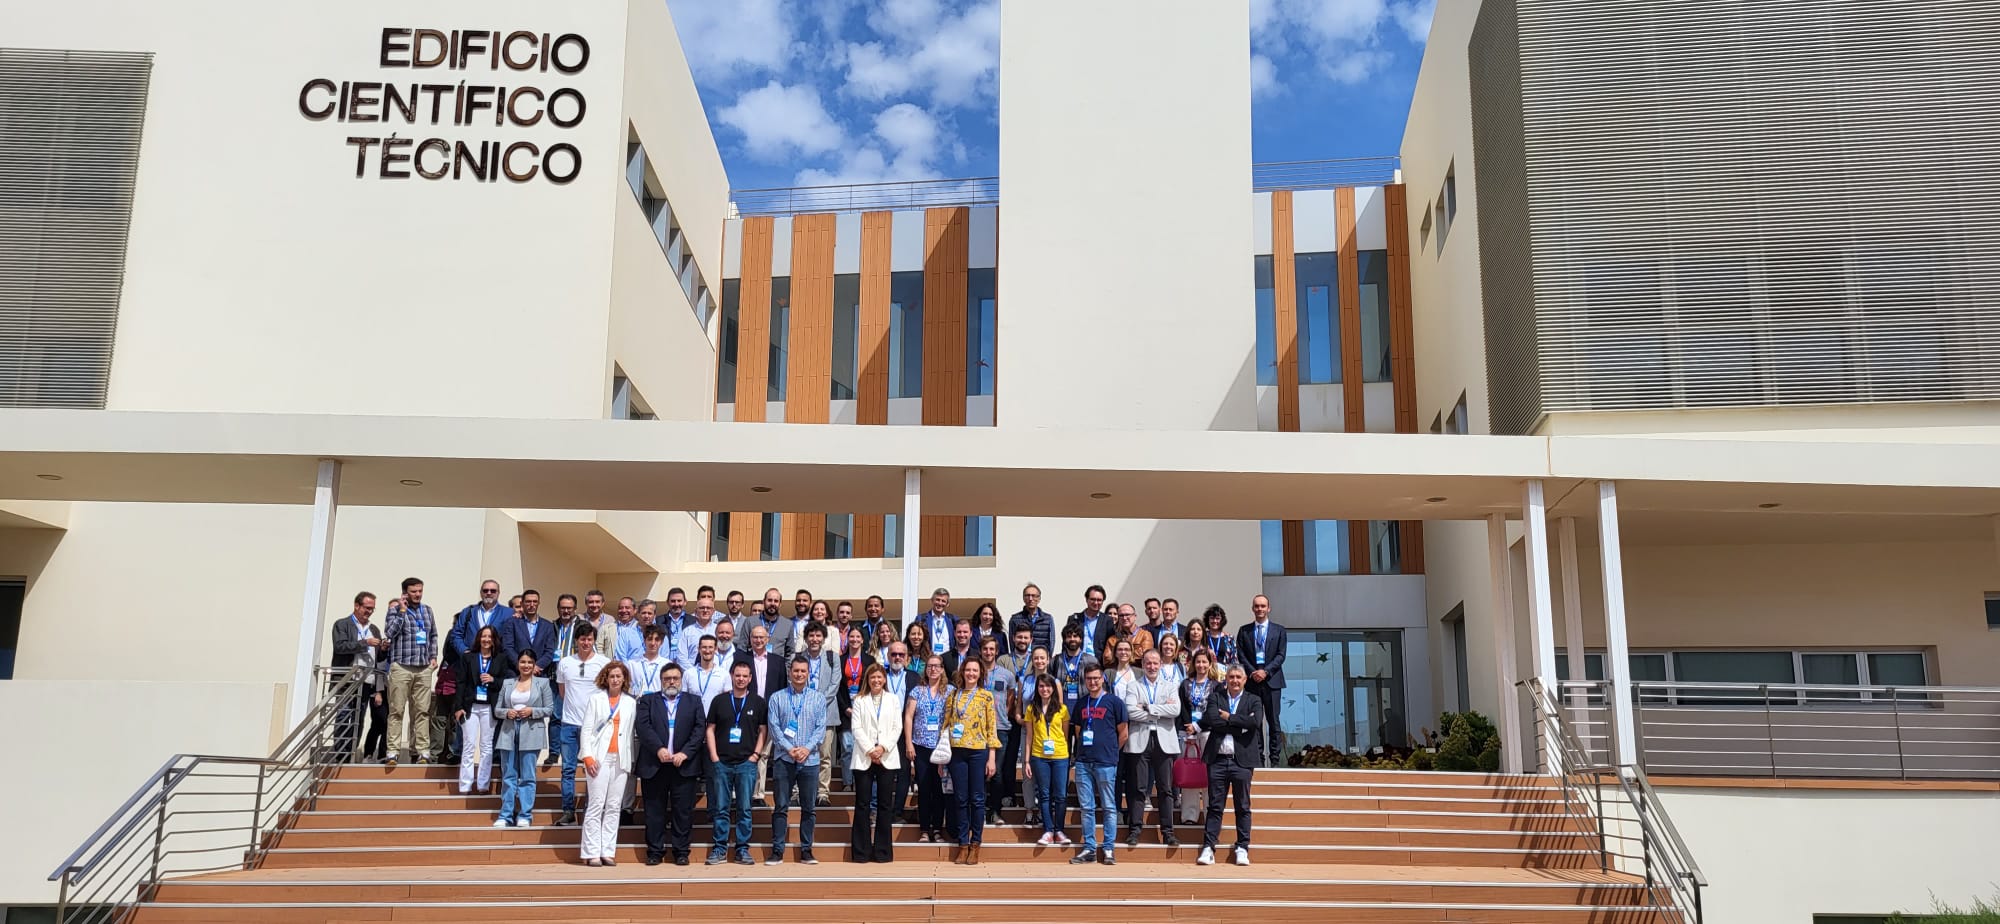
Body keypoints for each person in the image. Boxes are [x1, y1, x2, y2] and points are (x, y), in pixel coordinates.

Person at [637, 662, 707, 866]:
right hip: (655, 764)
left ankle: (681, 851)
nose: (671, 682)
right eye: (667, 678)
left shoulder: (693, 701)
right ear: (661, 680)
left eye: (675, 678)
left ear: (681, 680)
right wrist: (658, 748)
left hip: (683, 766)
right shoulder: (647, 701)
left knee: (683, 811)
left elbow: (699, 728)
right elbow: (643, 727)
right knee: (654, 811)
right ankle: (655, 851)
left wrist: (685, 753)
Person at [765, 655, 829, 865]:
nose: (799, 674)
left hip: (809, 760)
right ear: (790, 672)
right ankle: (777, 850)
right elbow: (774, 728)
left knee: (809, 807)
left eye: (803, 671)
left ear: (808, 673)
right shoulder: (777, 697)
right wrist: (790, 748)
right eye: (796, 671)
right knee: (781, 806)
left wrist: (806, 748)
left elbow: (821, 728)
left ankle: (806, 850)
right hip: (785, 758)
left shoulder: (818, 698)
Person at [1198, 665, 1263, 866]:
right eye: (1231, 677)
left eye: (1238, 677)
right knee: (1215, 806)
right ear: (1226, 679)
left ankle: (1242, 847)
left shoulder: (1254, 700)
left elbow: (1256, 723)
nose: (1234, 680)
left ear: (1244, 680)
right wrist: (1241, 724)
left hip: (1242, 762)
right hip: (1217, 759)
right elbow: (1212, 721)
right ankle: (1208, 847)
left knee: (1242, 806)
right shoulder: (1216, 697)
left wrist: (1229, 718)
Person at [704, 662, 765, 866]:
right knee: (721, 808)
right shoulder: (720, 700)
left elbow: (763, 730)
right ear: (731, 676)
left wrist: (756, 754)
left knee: (744, 808)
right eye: (737, 675)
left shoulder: (757, 702)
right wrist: (714, 756)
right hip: (722, 762)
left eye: (745, 676)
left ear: (750, 678)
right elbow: (710, 729)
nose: (741, 679)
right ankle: (720, 848)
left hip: (746, 763)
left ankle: (742, 849)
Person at [1121, 649, 1182, 848]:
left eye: (1155, 663)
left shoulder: (1171, 686)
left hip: (1164, 741)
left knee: (1165, 788)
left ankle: (1168, 832)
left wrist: (1148, 708)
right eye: (1148, 663)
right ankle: (1135, 830)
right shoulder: (1133, 685)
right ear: (1143, 664)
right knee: (1138, 788)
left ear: (1161, 665)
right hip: (1140, 740)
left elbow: (1175, 710)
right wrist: (1159, 711)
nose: (1152, 667)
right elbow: (1130, 711)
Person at [1069, 665, 1128, 865]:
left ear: (1103, 678)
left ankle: (1109, 848)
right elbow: (1078, 732)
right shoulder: (1081, 704)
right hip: (1084, 762)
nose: (1092, 682)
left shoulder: (1114, 702)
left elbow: (1123, 733)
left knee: (1109, 806)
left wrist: (1111, 752)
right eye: (1088, 679)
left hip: (1106, 762)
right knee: (1087, 807)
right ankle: (1089, 848)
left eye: (1096, 678)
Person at [943, 657, 1000, 864]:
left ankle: (975, 843)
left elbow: (991, 727)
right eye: (968, 670)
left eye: (975, 671)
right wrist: (943, 758)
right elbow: (946, 725)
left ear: (980, 674)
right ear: (962, 672)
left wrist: (991, 757)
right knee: (960, 799)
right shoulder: (953, 695)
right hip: (957, 752)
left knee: (977, 799)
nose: (971, 674)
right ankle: (962, 843)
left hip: (978, 751)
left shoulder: (986, 697)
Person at [578, 662, 636, 867]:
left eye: (619, 676)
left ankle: (607, 851)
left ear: (624, 679)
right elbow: (586, 730)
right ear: (606, 678)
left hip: (620, 758)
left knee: (613, 806)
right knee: (596, 805)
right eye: (612, 676)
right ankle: (591, 851)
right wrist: (587, 756)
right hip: (599, 758)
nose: (615, 680)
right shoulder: (596, 699)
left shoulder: (630, 702)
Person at [554, 630, 611, 826]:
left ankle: (590, 811)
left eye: (589, 639)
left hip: (594, 726)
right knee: (567, 769)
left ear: (594, 640)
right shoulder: (565, 663)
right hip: (569, 723)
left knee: (592, 768)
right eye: (582, 639)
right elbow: (563, 692)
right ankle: (568, 811)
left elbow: (607, 692)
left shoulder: (603, 662)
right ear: (576, 641)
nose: (586, 642)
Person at [846, 662, 901, 863]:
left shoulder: (893, 699)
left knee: (885, 805)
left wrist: (883, 747)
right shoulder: (860, 700)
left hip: (887, 756)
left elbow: (897, 727)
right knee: (863, 804)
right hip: (864, 757)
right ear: (867, 680)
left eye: (879, 677)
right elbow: (857, 728)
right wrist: (870, 749)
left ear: (884, 679)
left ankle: (882, 852)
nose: (876, 681)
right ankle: (861, 852)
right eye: (872, 678)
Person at [492, 650, 553, 828]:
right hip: (508, 731)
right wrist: (507, 712)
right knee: (509, 775)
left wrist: (532, 711)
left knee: (527, 775)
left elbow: (549, 708)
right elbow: (497, 709)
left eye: (530, 662)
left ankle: (525, 814)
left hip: (531, 731)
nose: (526, 665)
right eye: (523, 662)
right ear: (518, 664)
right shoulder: (508, 683)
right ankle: (506, 814)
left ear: (534, 665)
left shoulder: (542, 683)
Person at [383, 577, 439, 767]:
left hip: (423, 668)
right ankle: (392, 751)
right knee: (397, 710)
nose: (418, 594)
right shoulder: (395, 610)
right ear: (405, 592)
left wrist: (433, 657)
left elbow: (433, 635)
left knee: (422, 711)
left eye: (420, 591)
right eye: (414, 591)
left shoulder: (427, 610)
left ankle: (422, 751)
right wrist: (401, 611)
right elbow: (389, 633)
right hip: (402, 666)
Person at [903, 654, 954, 844]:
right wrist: (909, 743)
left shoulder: (950, 691)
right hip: (921, 746)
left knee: (939, 790)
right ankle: (925, 829)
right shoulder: (917, 691)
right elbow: (909, 717)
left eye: (936, 666)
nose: (933, 669)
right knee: (924, 789)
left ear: (942, 669)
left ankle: (938, 829)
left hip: (941, 747)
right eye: (930, 666)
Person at [330, 591, 386, 762]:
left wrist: (383, 649)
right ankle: (340, 756)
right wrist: (365, 643)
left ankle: (351, 753)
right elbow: (340, 647)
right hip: (347, 681)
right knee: (343, 717)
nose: (369, 612)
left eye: (372, 609)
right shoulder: (342, 624)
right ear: (357, 605)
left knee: (358, 720)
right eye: (367, 608)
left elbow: (378, 660)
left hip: (366, 682)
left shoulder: (374, 629)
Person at [1234, 595, 1287, 764]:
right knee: (1254, 721)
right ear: (1252, 609)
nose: (1260, 609)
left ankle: (1275, 759)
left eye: (1263, 606)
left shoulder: (1279, 630)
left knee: (1274, 721)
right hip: (1252, 682)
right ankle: (1258, 758)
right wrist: (1252, 672)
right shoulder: (1244, 631)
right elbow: (1240, 654)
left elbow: (1281, 655)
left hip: (1272, 681)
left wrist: (1266, 672)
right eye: (1257, 606)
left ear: (1268, 608)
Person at [453, 625, 503, 795]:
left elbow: (506, 682)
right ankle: (465, 785)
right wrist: (458, 706)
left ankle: (483, 784)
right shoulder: (469, 658)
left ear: (494, 639)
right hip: (470, 707)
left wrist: (493, 679)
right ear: (478, 639)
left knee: (487, 746)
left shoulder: (500, 659)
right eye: (483, 636)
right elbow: (460, 683)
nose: (486, 640)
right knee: (468, 745)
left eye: (489, 637)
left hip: (489, 707)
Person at [1022, 671, 1070, 847]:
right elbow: (1029, 736)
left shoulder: (1062, 709)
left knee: (1060, 795)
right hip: (1039, 756)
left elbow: (1065, 734)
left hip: (1059, 756)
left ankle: (1059, 830)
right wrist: (1026, 761)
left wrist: (1063, 751)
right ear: (1037, 688)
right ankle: (1048, 830)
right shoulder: (1031, 709)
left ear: (1053, 688)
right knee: (1044, 794)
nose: (1045, 689)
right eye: (1041, 686)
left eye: (1048, 686)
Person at [1179, 647, 1221, 825]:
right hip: (1189, 734)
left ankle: (1210, 813)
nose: (1201, 665)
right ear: (1193, 664)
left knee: (1209, 775)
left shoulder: (1216, 686)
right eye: (1198, 661)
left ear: (1210, 664)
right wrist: (1189, 726)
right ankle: (1189, 814)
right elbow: (1182, 707)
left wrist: (1199, 725)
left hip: (1208, 732)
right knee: (1191, 772)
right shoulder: (1186, 683)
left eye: (1204, 661)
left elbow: (1215, 711)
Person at [978, 636, 1016, 824]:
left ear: (996, 651)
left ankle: (995, 811)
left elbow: (1010, 696)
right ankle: (979, 810)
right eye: (985, 649)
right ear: (981, 650)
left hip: (1000, 727)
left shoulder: (1006, 674)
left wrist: (1003, 713)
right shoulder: (974, 671)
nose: (988, 652)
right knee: (978, 771)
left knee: (997, 771)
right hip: (977, 728)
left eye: (992, 649)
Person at [546, 593, 582, 770]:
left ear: (575, 609)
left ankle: (579, 752)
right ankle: (554, 752)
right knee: (555, 715)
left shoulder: (582, 626)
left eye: (569, 608)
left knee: (578, 716)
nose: (566, 611)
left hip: (575, 678)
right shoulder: (551, 626)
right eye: (562, 607)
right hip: (554, 675)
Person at [835, 626, 871, 792]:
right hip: (845, 710)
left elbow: (873, 685)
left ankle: (861, 782)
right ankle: (847, 782)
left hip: (864, 710)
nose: (855, 639)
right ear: (847, 639)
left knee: (863, 746)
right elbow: (837, 688)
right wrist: (846, 708)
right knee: (847, 748)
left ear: (862, 640)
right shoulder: (840, 660)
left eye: (858, 637)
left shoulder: (870, 661)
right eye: (852, 637)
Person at [446, 580, 512, 666]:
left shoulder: (509, 613)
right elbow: (456, 635)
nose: (489, 593)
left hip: (496, 663)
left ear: (498, 593)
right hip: (471, 663)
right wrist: (465, 652)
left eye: (493, 591)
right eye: (485, 590)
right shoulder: (468, 612)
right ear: (481, 593)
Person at [499, 589, 555, 682]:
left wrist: (535, 667)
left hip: (539, 675)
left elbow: (549, 651)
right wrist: (522, 665)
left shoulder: (548, 626)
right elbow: (507, 647)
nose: (532, 605)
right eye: (528, 601)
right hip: (515, 674)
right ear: (522, 603)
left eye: (535, 601)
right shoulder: (512, 623)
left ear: (539, 603)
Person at [1055, 624, 1097, 714]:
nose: (1072, 639)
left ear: (1081, 639)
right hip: (1061, 711)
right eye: (1069, 636)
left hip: (1085, 709)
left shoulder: (1091, 660)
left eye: (1075, 636)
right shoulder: (1056, 660)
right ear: (1064, 639)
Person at [1009, 583, 1058, 657]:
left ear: (1039, 598)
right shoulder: (1015, 619)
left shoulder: (1048, 619)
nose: (1030, 599)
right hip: (1021, 659)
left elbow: (1051, 642)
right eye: (1027, 595)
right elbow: (1012, 642)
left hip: (1040, 660)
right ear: (1023, 598)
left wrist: (1047, 658)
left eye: (1034, 596)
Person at [1067, 585, 1113, 660]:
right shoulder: (1074, 619)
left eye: (1099, 600)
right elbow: (1067, 642)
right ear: (1086, 599)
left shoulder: (1107, 621)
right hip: (1077, 661)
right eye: (1093, 599)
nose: (1096, 603)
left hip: (1098, 663)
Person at [628, 626, 673, 697]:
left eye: (657, 640)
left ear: (661, 642)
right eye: (649, 639)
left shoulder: (667, 664)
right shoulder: (632, 664)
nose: (653, 643)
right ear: (644, 641)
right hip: (639, 703)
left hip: (659, 703)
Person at [919, 588, 955, 659]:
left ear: (947, 604)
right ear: (932, 600)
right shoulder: (921, 619)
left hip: (948, 660)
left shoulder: (953, 620)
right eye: (937, 600)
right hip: (928, 659)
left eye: (943, 601)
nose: (940, 603)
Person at [610, 596, 644, 663]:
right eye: (621, 608)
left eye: (627, 608)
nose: (624, 610)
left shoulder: (641, 628)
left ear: (635, 610)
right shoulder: (608, 628)